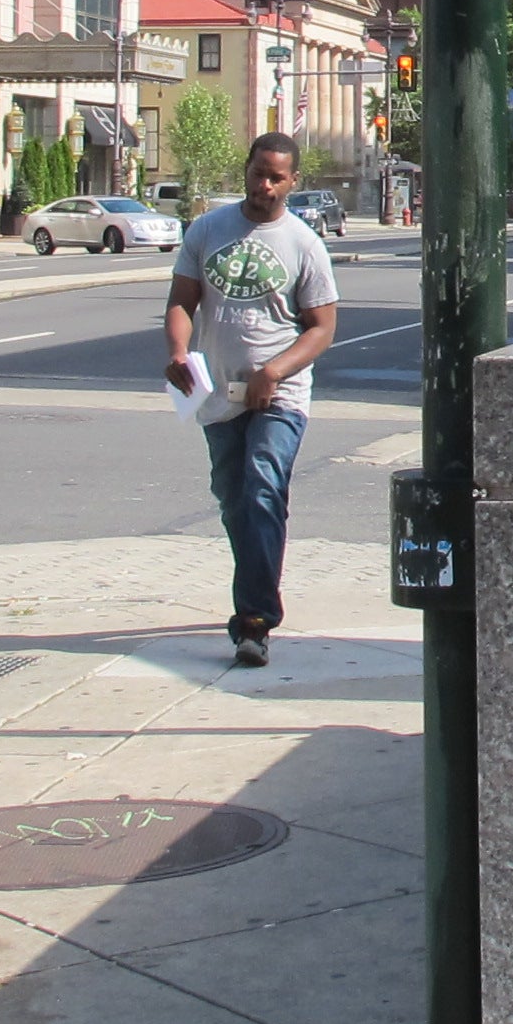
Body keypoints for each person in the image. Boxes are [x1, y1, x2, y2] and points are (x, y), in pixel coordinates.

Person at [163, 131, 339, 669]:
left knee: (263, 487)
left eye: (276, 177)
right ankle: (255, 589)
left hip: (280, 394)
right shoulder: (208, 230)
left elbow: (322, 328)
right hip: (218, 393)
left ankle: (255, 621)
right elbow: (181, 302)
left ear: (292, 182)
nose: (264, 184)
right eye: (258, 172)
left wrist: (275, 371)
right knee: (234, 500)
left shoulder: (304, 243)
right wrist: (176, 351)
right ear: (246, 169)